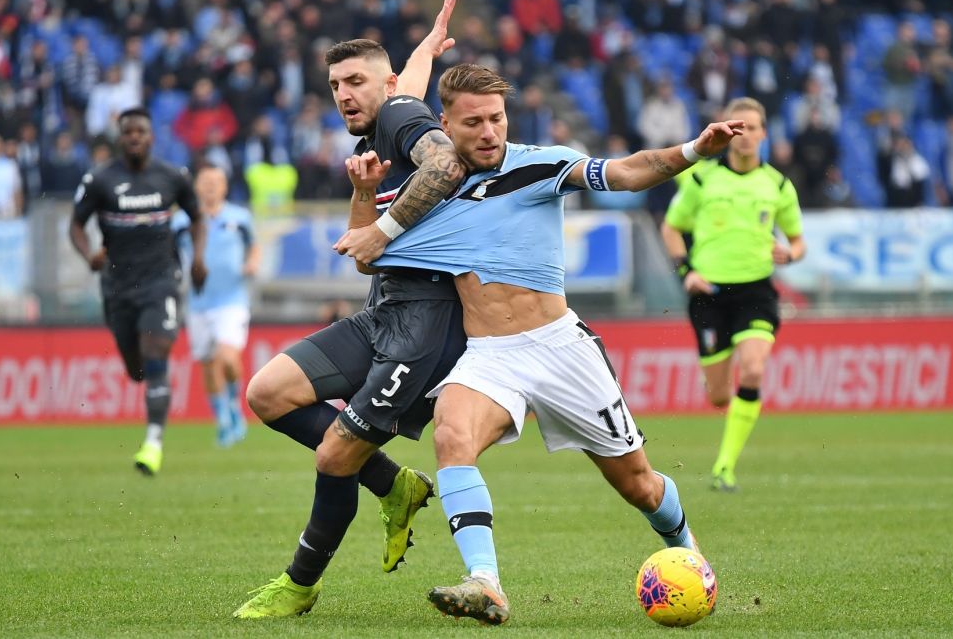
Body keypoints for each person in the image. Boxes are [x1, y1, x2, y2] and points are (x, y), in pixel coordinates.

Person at [338, 63, 743, 625]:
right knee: (453, 437)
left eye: (497, 119)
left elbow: (627, 173)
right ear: (445, 128)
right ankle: (486, 582)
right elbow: (366, 252)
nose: (489, 132)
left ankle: (690, 553)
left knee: (640, 486)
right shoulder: (424, 195)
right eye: (474, 122)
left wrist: (694, 150)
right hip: (489, 356)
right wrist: (362, 194)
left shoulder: (540, 165)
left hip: (561, 350)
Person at [232, 0, 467, 619]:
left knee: (337, 454)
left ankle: (300, 585)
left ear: (384, 86)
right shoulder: (382, 127)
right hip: (381, 310)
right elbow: (363, 259)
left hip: (425, 327)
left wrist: (384, 226)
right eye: (334, 84)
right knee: (267, 393)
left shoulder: (398, 116)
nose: (342, 93)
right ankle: (394, 484)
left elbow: (445, 162)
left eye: (354, 81)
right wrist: (365, 195)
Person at [660, 97, 806, 492]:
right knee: (719, 396)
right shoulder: (702, 179)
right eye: (738, 128)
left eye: (753, 128)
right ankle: (724, 416)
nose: (745, 137)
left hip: (756, 290)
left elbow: (797, 241)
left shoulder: (777, 184)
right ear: (727, 133)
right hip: (709, 293)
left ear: (764, 134)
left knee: (755, 368)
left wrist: (790, 253)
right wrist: (686, 272)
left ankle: (724, 467)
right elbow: (671, 228)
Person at [69, 107, 207, 476]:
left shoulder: (172, 178)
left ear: (151, 137)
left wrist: (198, 259)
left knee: (156, 351)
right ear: (119, 138)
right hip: (117, 286)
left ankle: (153, 443)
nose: (134, 138)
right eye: (128, 132)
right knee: (136, 369)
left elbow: (197, 218)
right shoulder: (99, 180)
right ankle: (149, 407)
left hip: (160, 281)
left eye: (141, 132)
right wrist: (89, 255)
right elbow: (76, 226)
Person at [172, 164, 258, 446]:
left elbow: (254, 246)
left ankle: (233, 404)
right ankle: (222, 419)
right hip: (197, 302)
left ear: (224, 186)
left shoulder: (240, 217)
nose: (210, 186)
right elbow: (169, 255)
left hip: (231, 300)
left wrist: (252, 262)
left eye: (216, 181)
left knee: (228, 358)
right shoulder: (182, 221)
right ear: (197, 187)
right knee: (208, 365)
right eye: (205, 181)